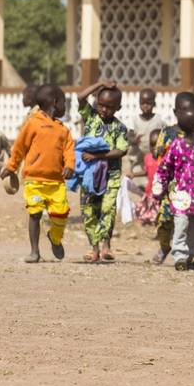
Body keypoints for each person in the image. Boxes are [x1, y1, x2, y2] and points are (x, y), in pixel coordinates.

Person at [0, 85, 74, 262]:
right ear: (55, 102)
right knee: (35, 214)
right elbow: (19, 147)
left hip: (56, 183)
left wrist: (70, 166)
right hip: (34, 180)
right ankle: (34, 251)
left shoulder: (63, 130)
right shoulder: (32, 123)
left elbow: (69, 151)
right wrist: (11, 166)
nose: (65, 107)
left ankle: (54, 238)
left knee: (60, 216)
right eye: (64, 103)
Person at [152, 105, 194, 271]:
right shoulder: (177, 146)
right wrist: (159, 185)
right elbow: (165, 167)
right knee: (181, 225)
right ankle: (180, 255)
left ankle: (190, 255)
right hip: (181, 196)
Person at [78, 81, 130, 263]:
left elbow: (121, 150)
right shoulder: (91, 117)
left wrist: (97, 155)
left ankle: (106, 245)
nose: (104, 110)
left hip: (110, 175)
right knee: (89, 211)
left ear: (118, 108)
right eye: (101, 105)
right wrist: (100, 84)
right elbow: (80, 97)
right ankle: (94, 249)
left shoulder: (120, 127)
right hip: (89, 174)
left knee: (107, 209)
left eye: (109, 107)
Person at [152, 91, 194, 265]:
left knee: (187, 221)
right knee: (164, 220)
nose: (187, 114)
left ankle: (186, 253)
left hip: (188, 188)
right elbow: (157, 155)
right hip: (169, 187)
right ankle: (165, 246)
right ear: (175, 112)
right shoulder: (167, 132)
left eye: (191, 110)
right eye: (183, 110)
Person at [127, 88, 166, 186]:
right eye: (142, 103)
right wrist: (133, 140)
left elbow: (167, 134)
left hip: (155, 157)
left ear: (154, 104)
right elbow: (129, 135)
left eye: (148, 103)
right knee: (138, 180)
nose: (145, 106)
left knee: (155, 179)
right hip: (139, 158)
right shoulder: (134, 120)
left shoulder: (159, 120)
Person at [135, 129, 162, 226]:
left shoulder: (165, 159)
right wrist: (133, 174)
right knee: (146, 211)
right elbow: (146, 171)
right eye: (152, 145)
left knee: (160, 214)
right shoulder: (148, 157)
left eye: (157, 145)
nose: (154, 148)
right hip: (150, 191)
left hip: (161, 193)